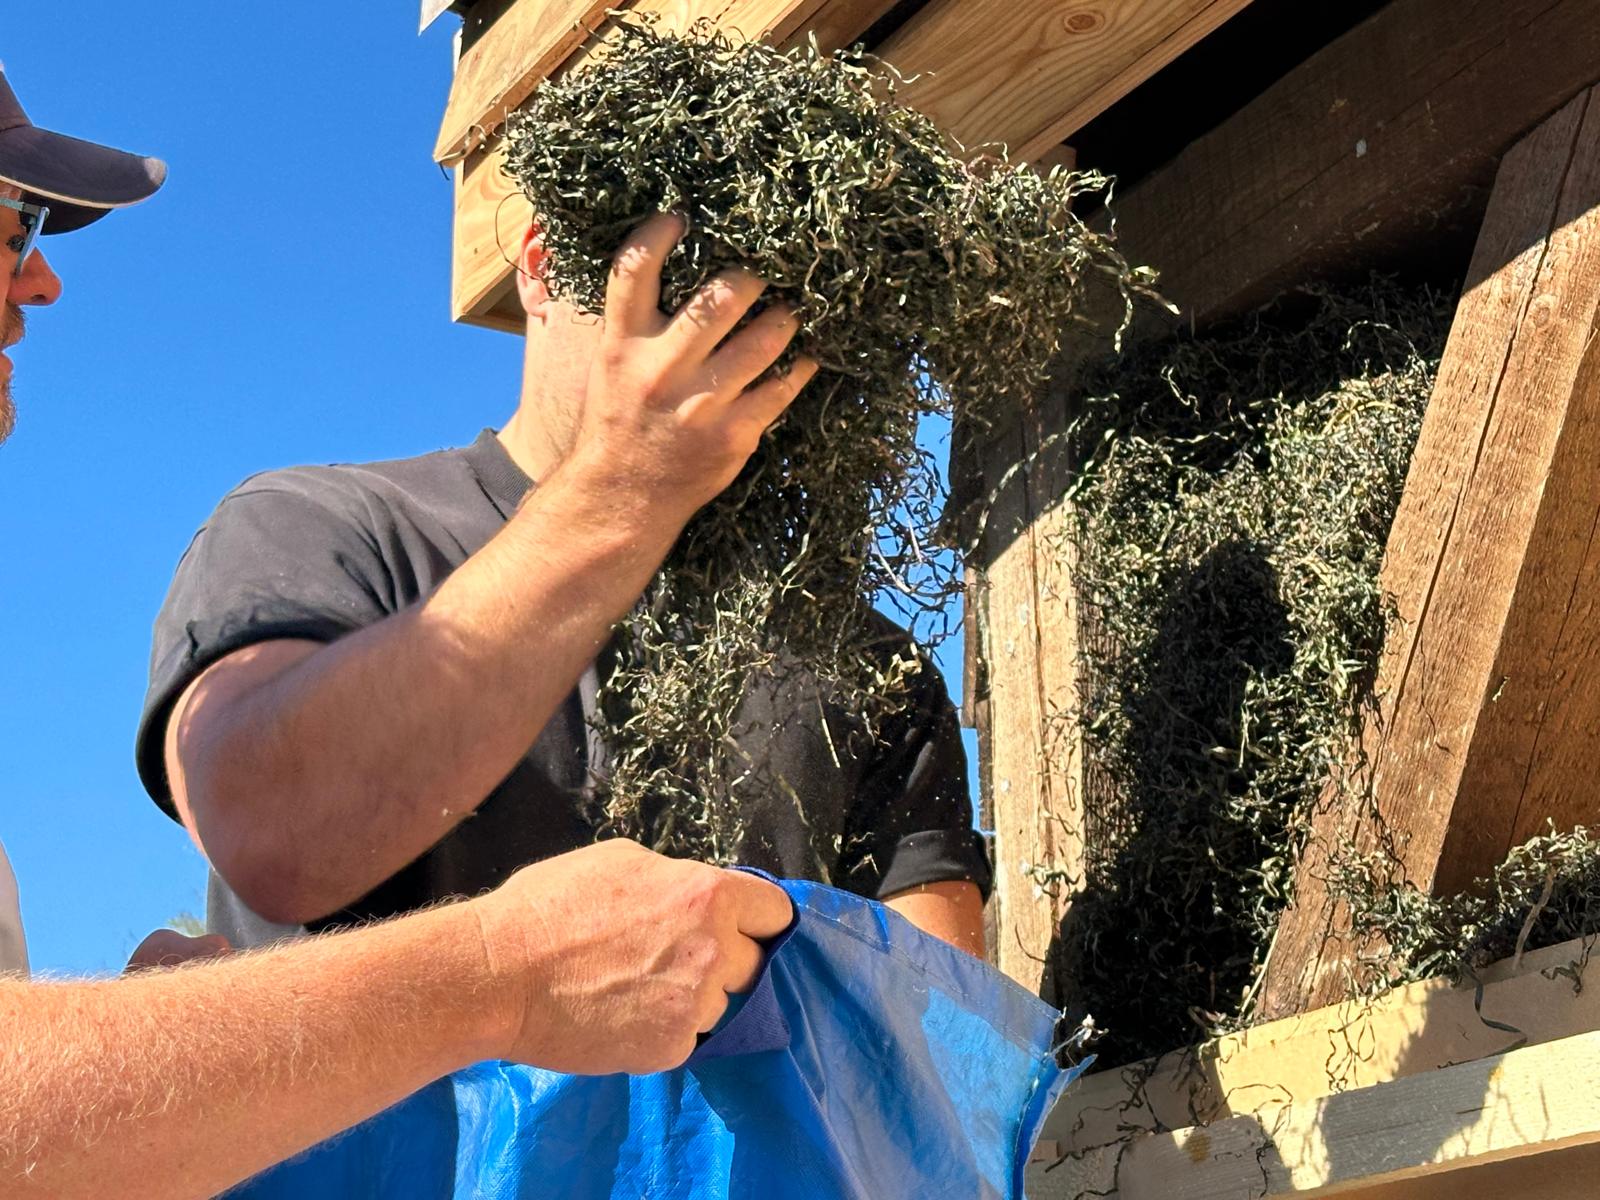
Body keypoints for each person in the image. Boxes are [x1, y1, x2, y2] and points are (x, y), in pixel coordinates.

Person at [0, 67, 795, 1200]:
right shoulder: (323, 527)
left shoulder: (832, 644)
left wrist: (158, 1045)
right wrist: (501, 973)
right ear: (538, 261)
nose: (41, 279)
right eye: (12, 216)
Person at [140, 211, 993, 956]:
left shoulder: (869, 664)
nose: (728, 353)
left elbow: (933, 1049)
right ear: (543, 267)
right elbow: (270, 832)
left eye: (777, 322)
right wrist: (628, 489)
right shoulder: (321, 527)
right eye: (692, 296)